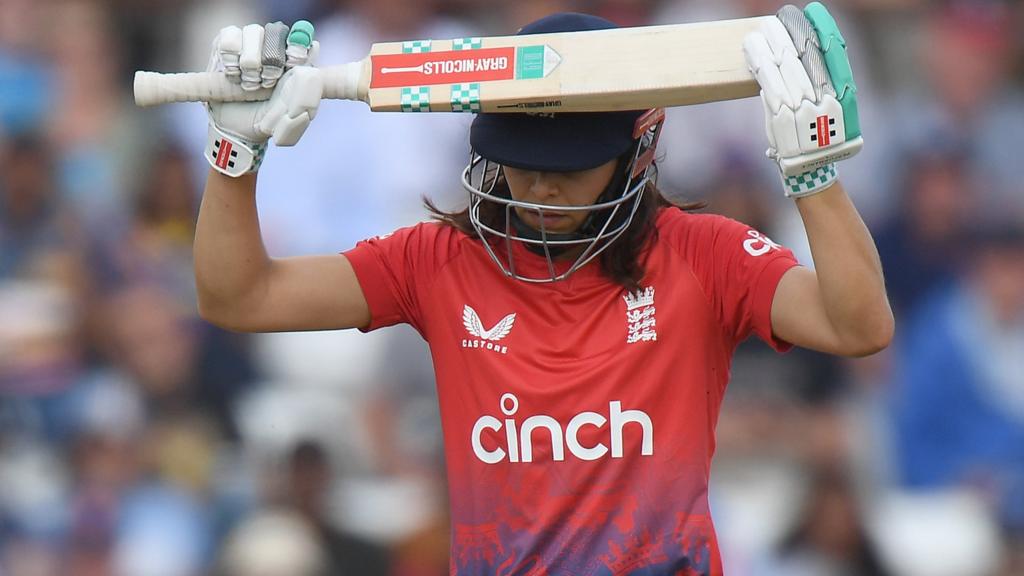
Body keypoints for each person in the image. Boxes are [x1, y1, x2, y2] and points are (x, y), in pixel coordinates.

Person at [191, 6, 893, 574]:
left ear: (639, 147)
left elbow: (859, 327)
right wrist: (233, 160)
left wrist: (814, 177)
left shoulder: (701, 254)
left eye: (572, 164)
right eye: (522, 160)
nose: (541, 186)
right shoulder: (439, 260)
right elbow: (241, 298)